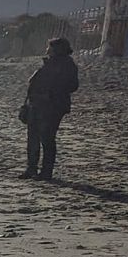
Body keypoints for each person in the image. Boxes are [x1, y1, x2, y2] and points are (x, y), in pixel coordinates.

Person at [21, 36, 78, 181]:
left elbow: (72, 85)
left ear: (57, 49)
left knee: (47, 138)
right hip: (37, 104)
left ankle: (46, 171)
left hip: (53, 106)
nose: (47, 49)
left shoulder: (67, 64)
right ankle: (31, 168)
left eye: (50, 47)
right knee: (33, 137)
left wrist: (52, 93)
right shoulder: (48, 63)